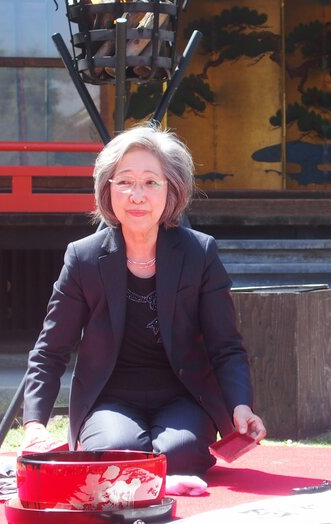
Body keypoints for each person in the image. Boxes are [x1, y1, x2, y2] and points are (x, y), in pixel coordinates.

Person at [20, 123, 266, 485]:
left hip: (183, 396)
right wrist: (34, 424)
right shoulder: (84, 257)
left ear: (172, 190)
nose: (137, 195)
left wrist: (240, 405)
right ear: (107, 189)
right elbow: (50, 350)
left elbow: (225, 345)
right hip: (109, 398)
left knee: (179, 455)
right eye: (125, 182)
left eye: (151, 182)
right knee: (118, 453)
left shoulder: (199, 253)